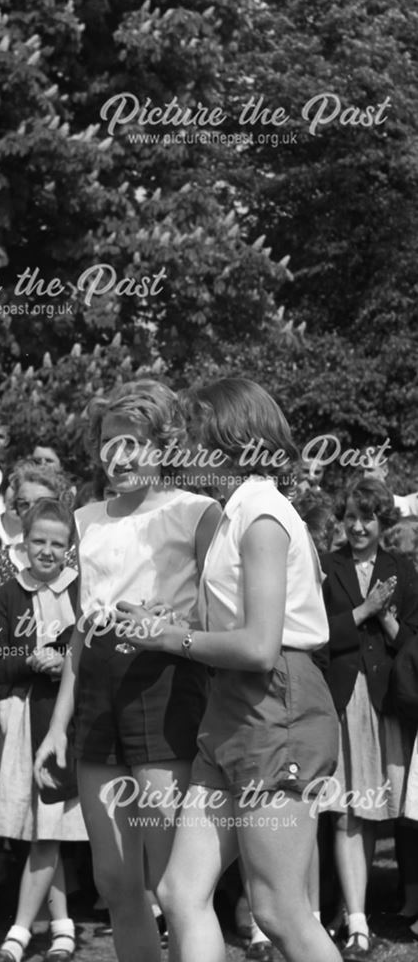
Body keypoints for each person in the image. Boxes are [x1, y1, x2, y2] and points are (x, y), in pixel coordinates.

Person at [112, 377, 341, 962]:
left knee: (278, 910)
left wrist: (175, 637)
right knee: (180, 891)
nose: (183, 449)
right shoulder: (237, 512)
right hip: (232, 711)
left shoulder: (263, 514)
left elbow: (263, 646)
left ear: (228, 437)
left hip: (276, 706)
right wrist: (171, 618)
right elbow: (233, 621)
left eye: (194, 436)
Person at [34, 379, 221, 962]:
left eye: (132, 443)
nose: (117, 456)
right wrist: (55, 727)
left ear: (163, 446)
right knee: (116, 881)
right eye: (109, 443)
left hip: (166, 684)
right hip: (96, 694)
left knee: (175, 885)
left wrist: (176, 621)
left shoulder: (198, 512)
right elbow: (80, 639)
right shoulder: (84, 519)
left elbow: (224, 615)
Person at [320, 476, 418, 959]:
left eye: (368, 518)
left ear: (384, 522)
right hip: (341, 699)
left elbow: (411, 642)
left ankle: (360, 908)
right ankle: (356, 921)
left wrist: (384, 613)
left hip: (384, 703)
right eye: (351, 517)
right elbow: (315, 631)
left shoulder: (402, 569)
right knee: (342, 813)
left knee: (373, 811)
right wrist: (364, 609)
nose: (357, 527)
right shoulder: (327, 566)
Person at [0, 498, 86, 962]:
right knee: (42, 826)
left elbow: (97, 650)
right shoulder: (9, 593)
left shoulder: (82, 590)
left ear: (70, 547)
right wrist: (28, 661)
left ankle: (20, 932)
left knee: (52, 825)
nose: (47, 551)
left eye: (57, 543)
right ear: (23, 544)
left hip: (68, 719)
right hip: (27, 717)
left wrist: (66, 660)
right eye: (38, 541)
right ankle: (62, 925)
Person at [0, 462, 74, 595]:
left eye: (41, 503)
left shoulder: (74, 559)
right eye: (24, 504)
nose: (32, 510)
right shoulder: (1, 560)